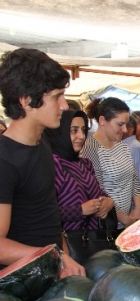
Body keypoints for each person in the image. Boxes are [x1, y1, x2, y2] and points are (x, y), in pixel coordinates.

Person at [0, 48, 84, 276]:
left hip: (51, 272)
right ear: (27, 101)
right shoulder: (4, 159)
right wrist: (56, 255)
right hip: (22, 289)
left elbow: (48, 211)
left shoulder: (43, 142)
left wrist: (62, 253)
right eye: (57, 96)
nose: (65, 106)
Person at [43, 109, 115, 231]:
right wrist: (80, 210)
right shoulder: (53, 164)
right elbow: (44, 213)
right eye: (74, 131)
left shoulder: (85, 163)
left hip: (92, 239)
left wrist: (109, 201)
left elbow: (98, 193)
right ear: (59, 132)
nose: (81, 136)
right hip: (66, 242)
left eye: (83, 130)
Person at [81, 97, 140, 228]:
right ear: (102, 121)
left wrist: (138, 207)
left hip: (129, 220)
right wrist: (125, 220)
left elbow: (134, 177)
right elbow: (98, 191)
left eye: (126, 124)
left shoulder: (122, 145)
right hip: (108, 225)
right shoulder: (90, 149)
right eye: (120, 124)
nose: (125, 130)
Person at [123, 113, 140, 205]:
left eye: (122, 126)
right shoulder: (126, 146)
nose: (120, 129)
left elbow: (138, 183)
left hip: (133, 205)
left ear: (130, 129)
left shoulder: (134, 148)